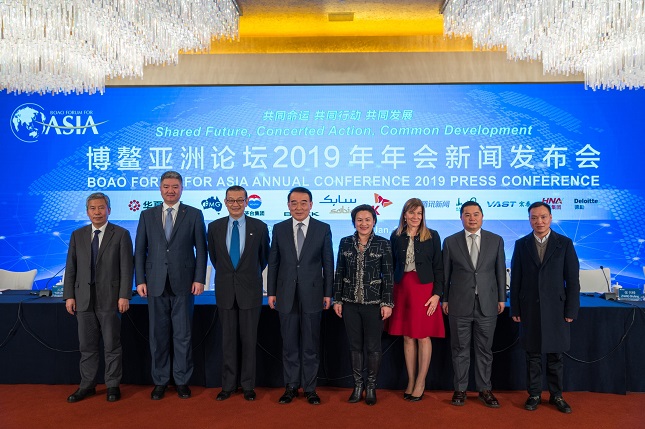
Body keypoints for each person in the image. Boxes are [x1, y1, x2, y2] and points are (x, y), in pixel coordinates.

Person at [135, 170, 207, 400]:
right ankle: (161, 381)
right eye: (166, 186)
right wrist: (140, 280)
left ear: (182, 188)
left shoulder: (194, 214)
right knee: (158, 335)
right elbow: (140, 251)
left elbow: (201, 250)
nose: (170, 190)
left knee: (183, 335)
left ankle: (182, 380)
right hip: (154, 283)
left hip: (184, 283)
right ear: (160, 188)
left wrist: (199, 278)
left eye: (175, 186)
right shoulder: (147, 215)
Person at [510, 201, 580, 414]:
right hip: (529, 308)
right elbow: (516, 280)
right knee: (532, 355)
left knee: (555, 356)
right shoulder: (521, 244)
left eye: (543, 217)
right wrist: (515, 309)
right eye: (534, 218)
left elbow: (572, 280)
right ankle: (534, 394)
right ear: (529, 220)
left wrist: (571, 310)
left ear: (550, 218)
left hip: (557, 310)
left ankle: (556, 395)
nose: (538, 221)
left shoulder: (565, 243)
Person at [63, 192, 133, 403]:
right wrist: (69, 296)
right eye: (93, 208)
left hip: (110, 299)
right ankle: (87, 385)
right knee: (87, 346)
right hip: (83, 299)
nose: (97, 212)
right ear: (87, 212)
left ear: (109, 210)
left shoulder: (121, 234)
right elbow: (71, 267)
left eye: (101, 208)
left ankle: (112, 385)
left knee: (112, 345)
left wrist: (124, 295)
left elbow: (126, 268)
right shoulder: (77, 235)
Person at [267, 187, 334, 405]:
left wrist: (328, 293)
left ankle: (311, 388)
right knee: (289, 345)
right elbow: (274, 262)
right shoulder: (279, 228)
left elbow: (328, 263)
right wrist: (272, 292)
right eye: (294, 203)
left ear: (311, 205)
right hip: (285, 295)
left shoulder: (323, 228)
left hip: (314, 294)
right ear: (288, 206)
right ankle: (291, 387)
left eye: (303, 203)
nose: (299, 207)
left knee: (310, 345)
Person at [207, 186, 270, 402]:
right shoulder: (214, 227)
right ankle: (228, 385)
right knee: (228, 341)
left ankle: (248, 386)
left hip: (250, 292)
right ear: (225, 202)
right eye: (231, 200)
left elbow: (263, 259)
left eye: (240, 200)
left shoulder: (259, 227)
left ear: (246, 202)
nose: (235, 204)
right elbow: (215, 259)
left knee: (249, 341)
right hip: (225, 291)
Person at [442, 201, 506, 408]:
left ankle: (484, 389)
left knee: (484, 350)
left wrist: (501, 298)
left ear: (482, 216)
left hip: (487, 303)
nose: (472, 218)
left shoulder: (496, 240)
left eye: (476, 214)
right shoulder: (450, 242)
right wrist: (444, 298)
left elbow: (499, 270)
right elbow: (445, 274)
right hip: (459, 304)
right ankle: (460, 390)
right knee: (459, 348)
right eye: (467, 215)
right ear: (461, 217)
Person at [332, 204, 393, 406]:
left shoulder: (383, 244)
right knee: (355, 346)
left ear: (374, 221)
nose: (363, 223)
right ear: (354, 222)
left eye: (367, 219)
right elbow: (339, 272)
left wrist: (387, 302)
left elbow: (389, 276)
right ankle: (358, 386)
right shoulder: (345, 242)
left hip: (374, 304)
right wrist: (337, 299)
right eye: (359, 220)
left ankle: (372, 386)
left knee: (374, 347)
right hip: (349, 303)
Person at [387, 198, 444, 402]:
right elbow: (391, 265)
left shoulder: (433, 236)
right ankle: (411, 380)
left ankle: (421, 381)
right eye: (411, 213)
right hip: (401, 288)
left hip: (424, 290)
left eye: (419, 213)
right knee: (407, 336)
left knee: (422, 335)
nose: (415, 217)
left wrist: (437, 294)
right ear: (404, 215)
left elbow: (439, 267)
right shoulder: (396, 236)